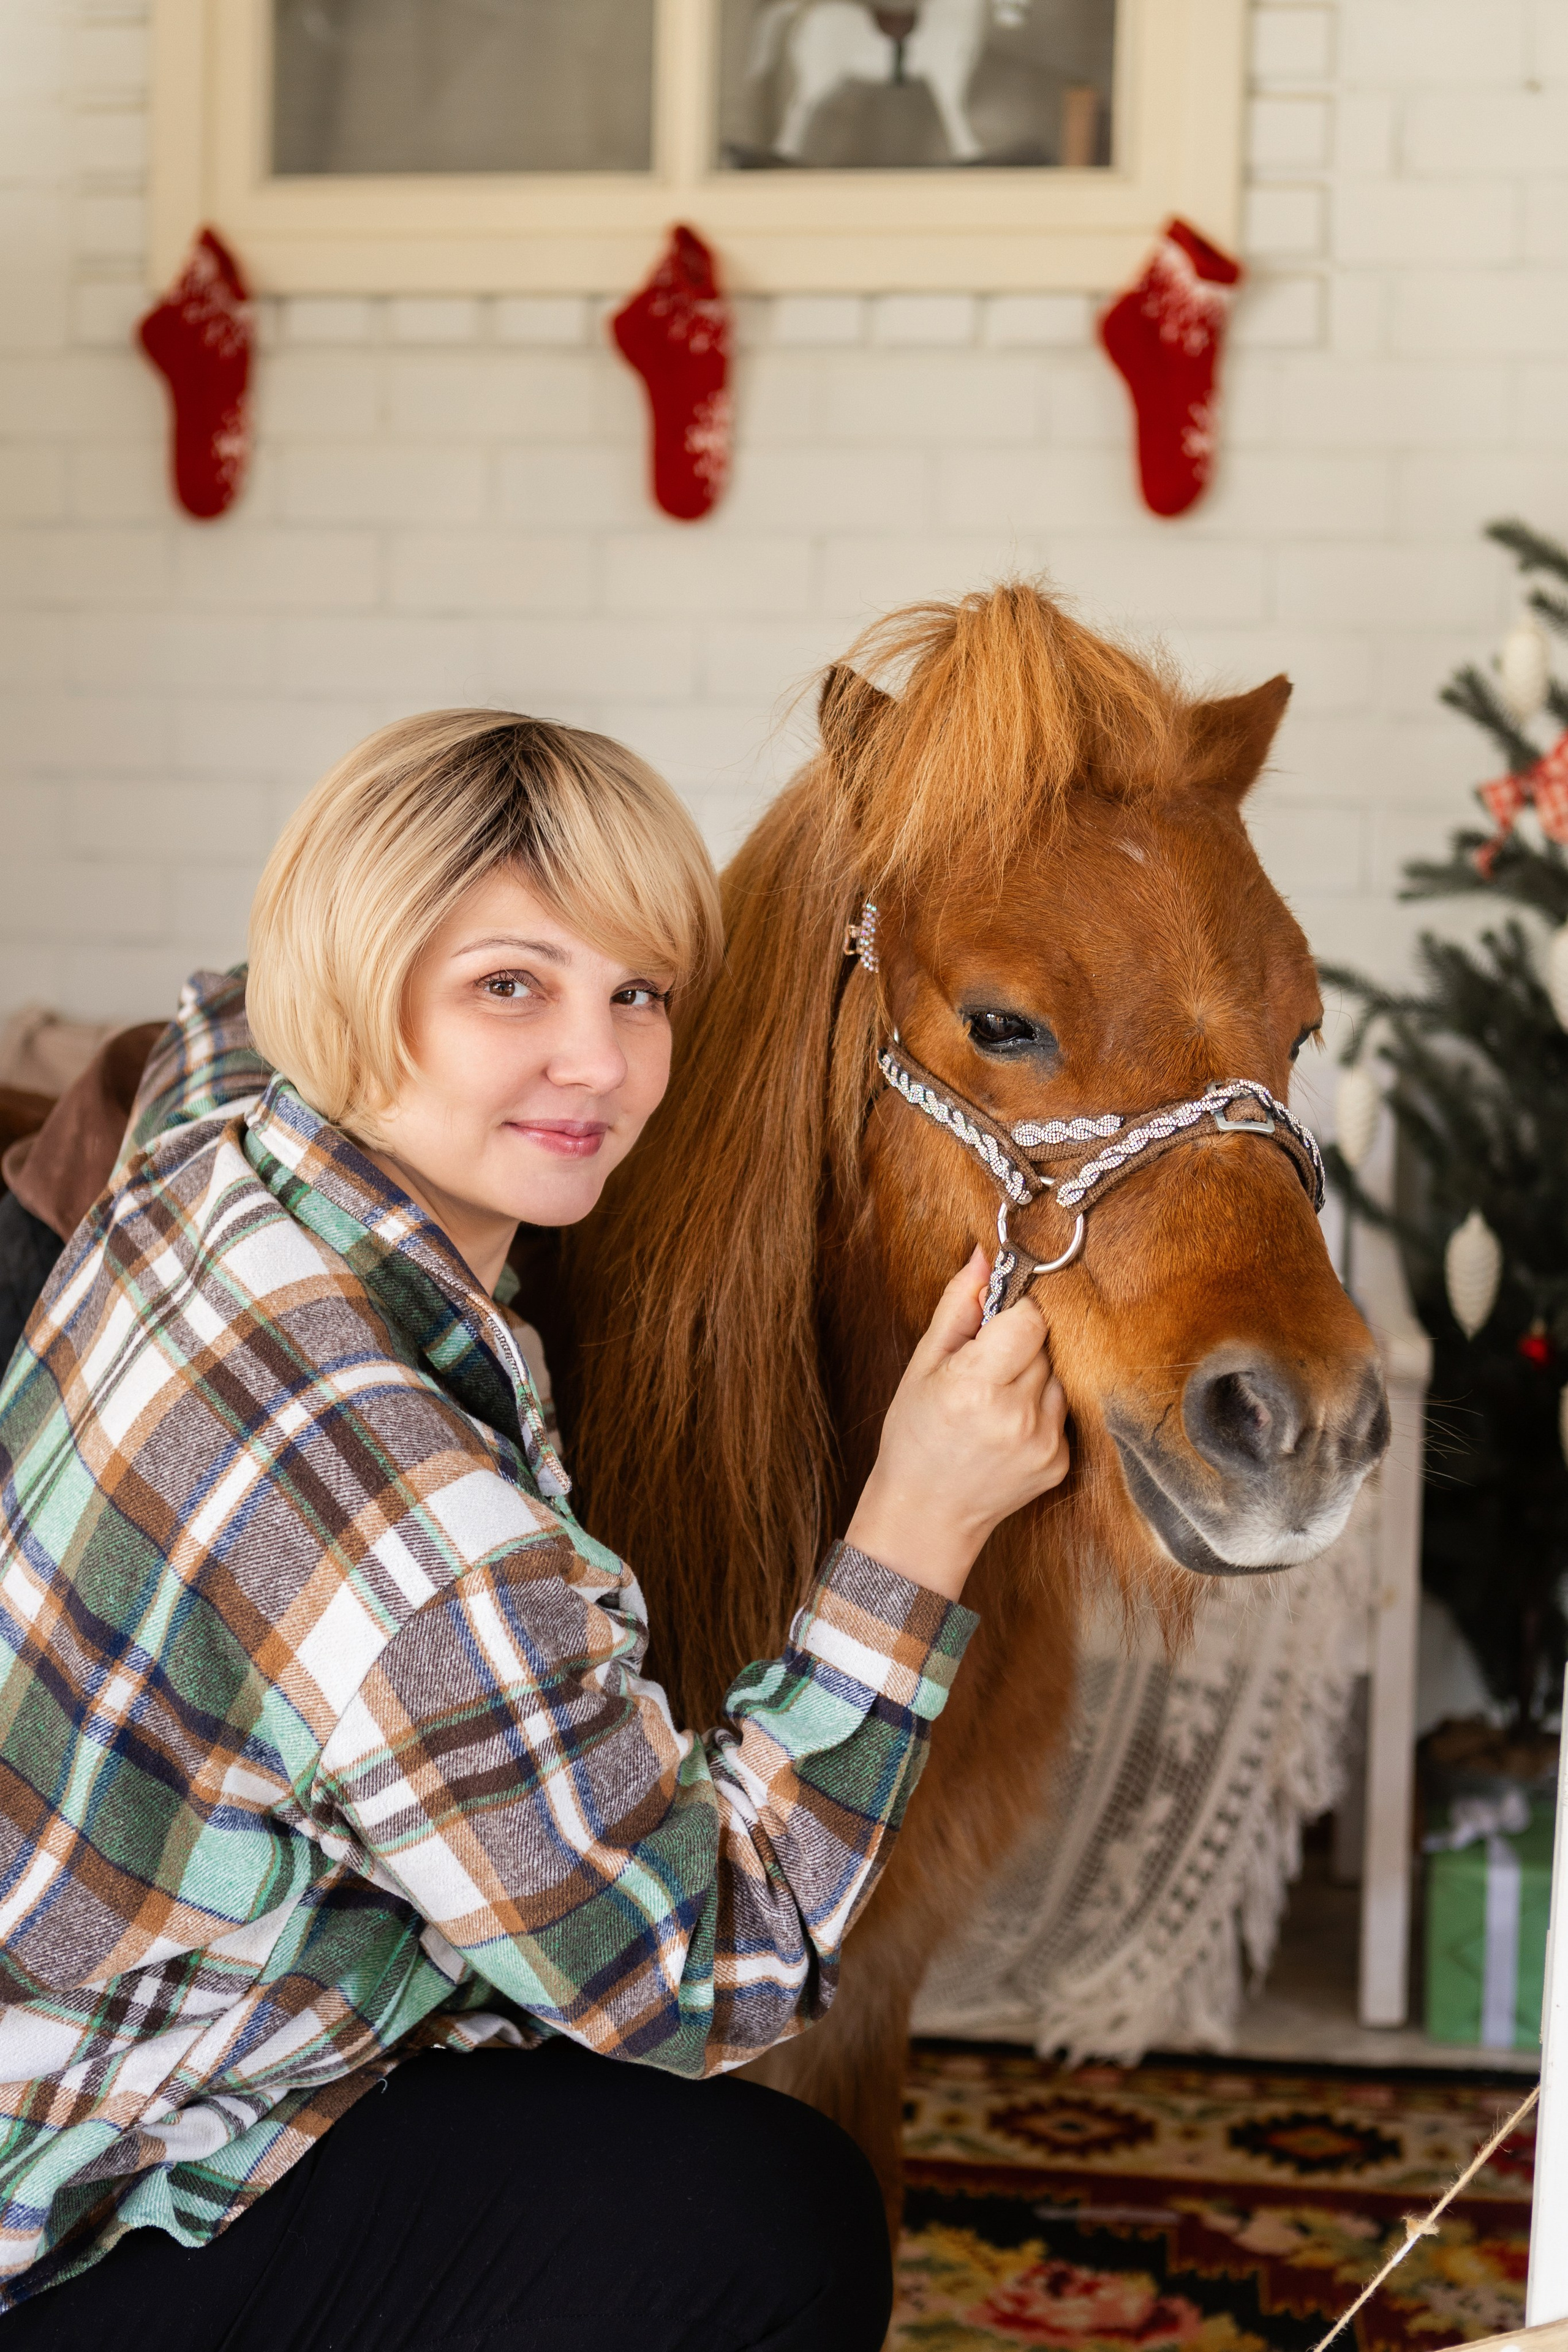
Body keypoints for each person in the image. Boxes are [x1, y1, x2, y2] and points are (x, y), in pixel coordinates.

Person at [0, 711, 1069, 2350]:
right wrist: (922, 1512)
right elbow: (710, 1968)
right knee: (765, 2219)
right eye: (513, 985)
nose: (602, 1061)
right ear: (360, 984)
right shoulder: (403, 1514)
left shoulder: (216, 1154)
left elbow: (224, 1004)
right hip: (76, 2237)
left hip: (60, 2084)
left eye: (637, 990)